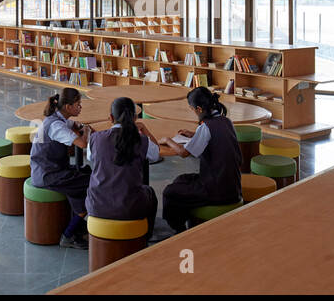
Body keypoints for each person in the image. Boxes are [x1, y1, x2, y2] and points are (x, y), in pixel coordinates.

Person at [158, 86, 243, 233]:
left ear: (198, 109)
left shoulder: (206, 127)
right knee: (181, 179)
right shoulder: (226, 121)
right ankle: (187, 218)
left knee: (169, 192)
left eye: (191, 109)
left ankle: (178, 229)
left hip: (217, 190)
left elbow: (184, 153)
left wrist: (168, 140)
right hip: (232, 184)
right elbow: (213, 138)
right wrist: (193, 134)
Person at [85, 97, 159, 237]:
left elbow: (91, 157)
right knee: (149, 193)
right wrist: (145, 131)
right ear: (135, 118)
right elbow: (156, 155)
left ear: (111, 118)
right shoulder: (141, 140)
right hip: (129, 206)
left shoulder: (96, 139)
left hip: (97, 205)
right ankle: (146, 236)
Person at [29, 87, 92, 249]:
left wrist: (79, 125)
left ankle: (77, 224)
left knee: (85, 173)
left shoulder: (57, 117)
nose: (80, 108)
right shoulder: (56, 126)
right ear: (68, 107)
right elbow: (82, 144)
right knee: (93, 182)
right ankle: (69, 234)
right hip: (47, 174)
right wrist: (85, 131)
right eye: (78, 104)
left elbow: (72, 123)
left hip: (51, 168)